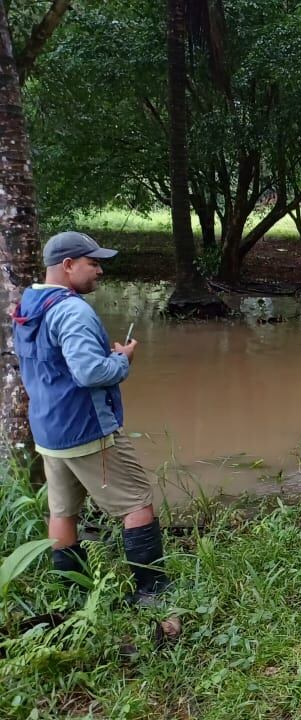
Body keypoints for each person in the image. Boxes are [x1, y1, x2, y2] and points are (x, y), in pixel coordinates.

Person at [12, 231, 169, 606]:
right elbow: (90, 372)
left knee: (62, 512)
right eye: (93, 263)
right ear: (68, 265)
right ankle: (151, 594)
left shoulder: (29, 304)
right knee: (137, 503)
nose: (100, 271)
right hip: (87, 430)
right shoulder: (72, 311)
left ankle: (70, 595)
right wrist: (122, 360)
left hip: (49, 431)